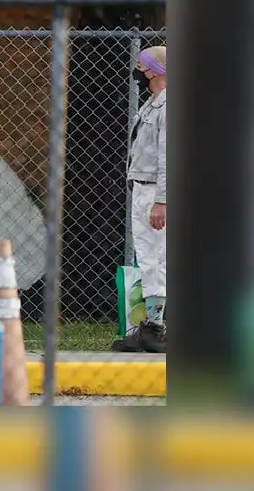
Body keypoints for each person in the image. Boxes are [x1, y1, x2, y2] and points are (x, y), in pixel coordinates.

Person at [113, 46, 167, 353]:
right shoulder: (151, 105)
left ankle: (156, 327)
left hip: (156, 190)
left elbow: (167, 156)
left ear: (155, 70)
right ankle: (151, 324)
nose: (137, 72)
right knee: (147, 257)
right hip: (143, 187)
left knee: (158, 258)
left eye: (142, 66)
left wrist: (163, 200)